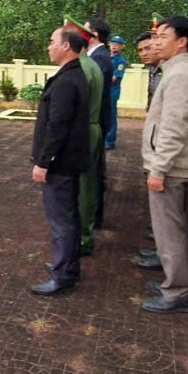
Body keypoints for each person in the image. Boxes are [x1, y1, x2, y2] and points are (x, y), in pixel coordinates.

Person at [140, 15, 188, 313]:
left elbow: (174, 127)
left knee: (169, 232)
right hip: (172, 167)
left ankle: (176, 292)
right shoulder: (176, 71)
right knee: (169, 230)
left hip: (170, 169)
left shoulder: (179, 75)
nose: (155, 42)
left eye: (163, 36)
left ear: (182, 41)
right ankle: (171, 280)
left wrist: (159, 168)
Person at [29, 27, 92, 296]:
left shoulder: (67, 80)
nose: (48, 46)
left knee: (61, 220)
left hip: (60, 163)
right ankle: (67, 264)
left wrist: (43, 162)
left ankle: (63, 275)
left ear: (66, 46)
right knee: (68, 217)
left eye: (52, 41)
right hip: (69, 160)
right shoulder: (74, 74)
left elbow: (58, 126)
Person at [64, 17, 105, 256]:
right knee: (85, 186)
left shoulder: (82, 68)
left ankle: (82, 238)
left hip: (83, 131)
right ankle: (82, 236)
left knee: (82, 189)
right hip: (90, 128)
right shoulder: (89, 65)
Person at [84, 17, 114, 228]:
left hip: (96, 121)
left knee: (94, 173)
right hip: (98, 121)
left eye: (84, 31)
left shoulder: (100, 58)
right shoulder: (98, 56)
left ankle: (94, 217)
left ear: (94, 34)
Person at [106, 35, 128, 148]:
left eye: (117, 44)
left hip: (112, 92)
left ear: (121, 47)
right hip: (104, 91)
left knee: (111, 116)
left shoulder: (121, 61)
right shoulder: (105, 57)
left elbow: (114, 79)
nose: (114, 46)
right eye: (113, 43)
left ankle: (110, 141)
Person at [138, 31, 163, 110]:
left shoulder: (169, 70)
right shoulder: (152, 68)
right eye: (140, 50)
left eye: (147, 48)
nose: (144, 54)